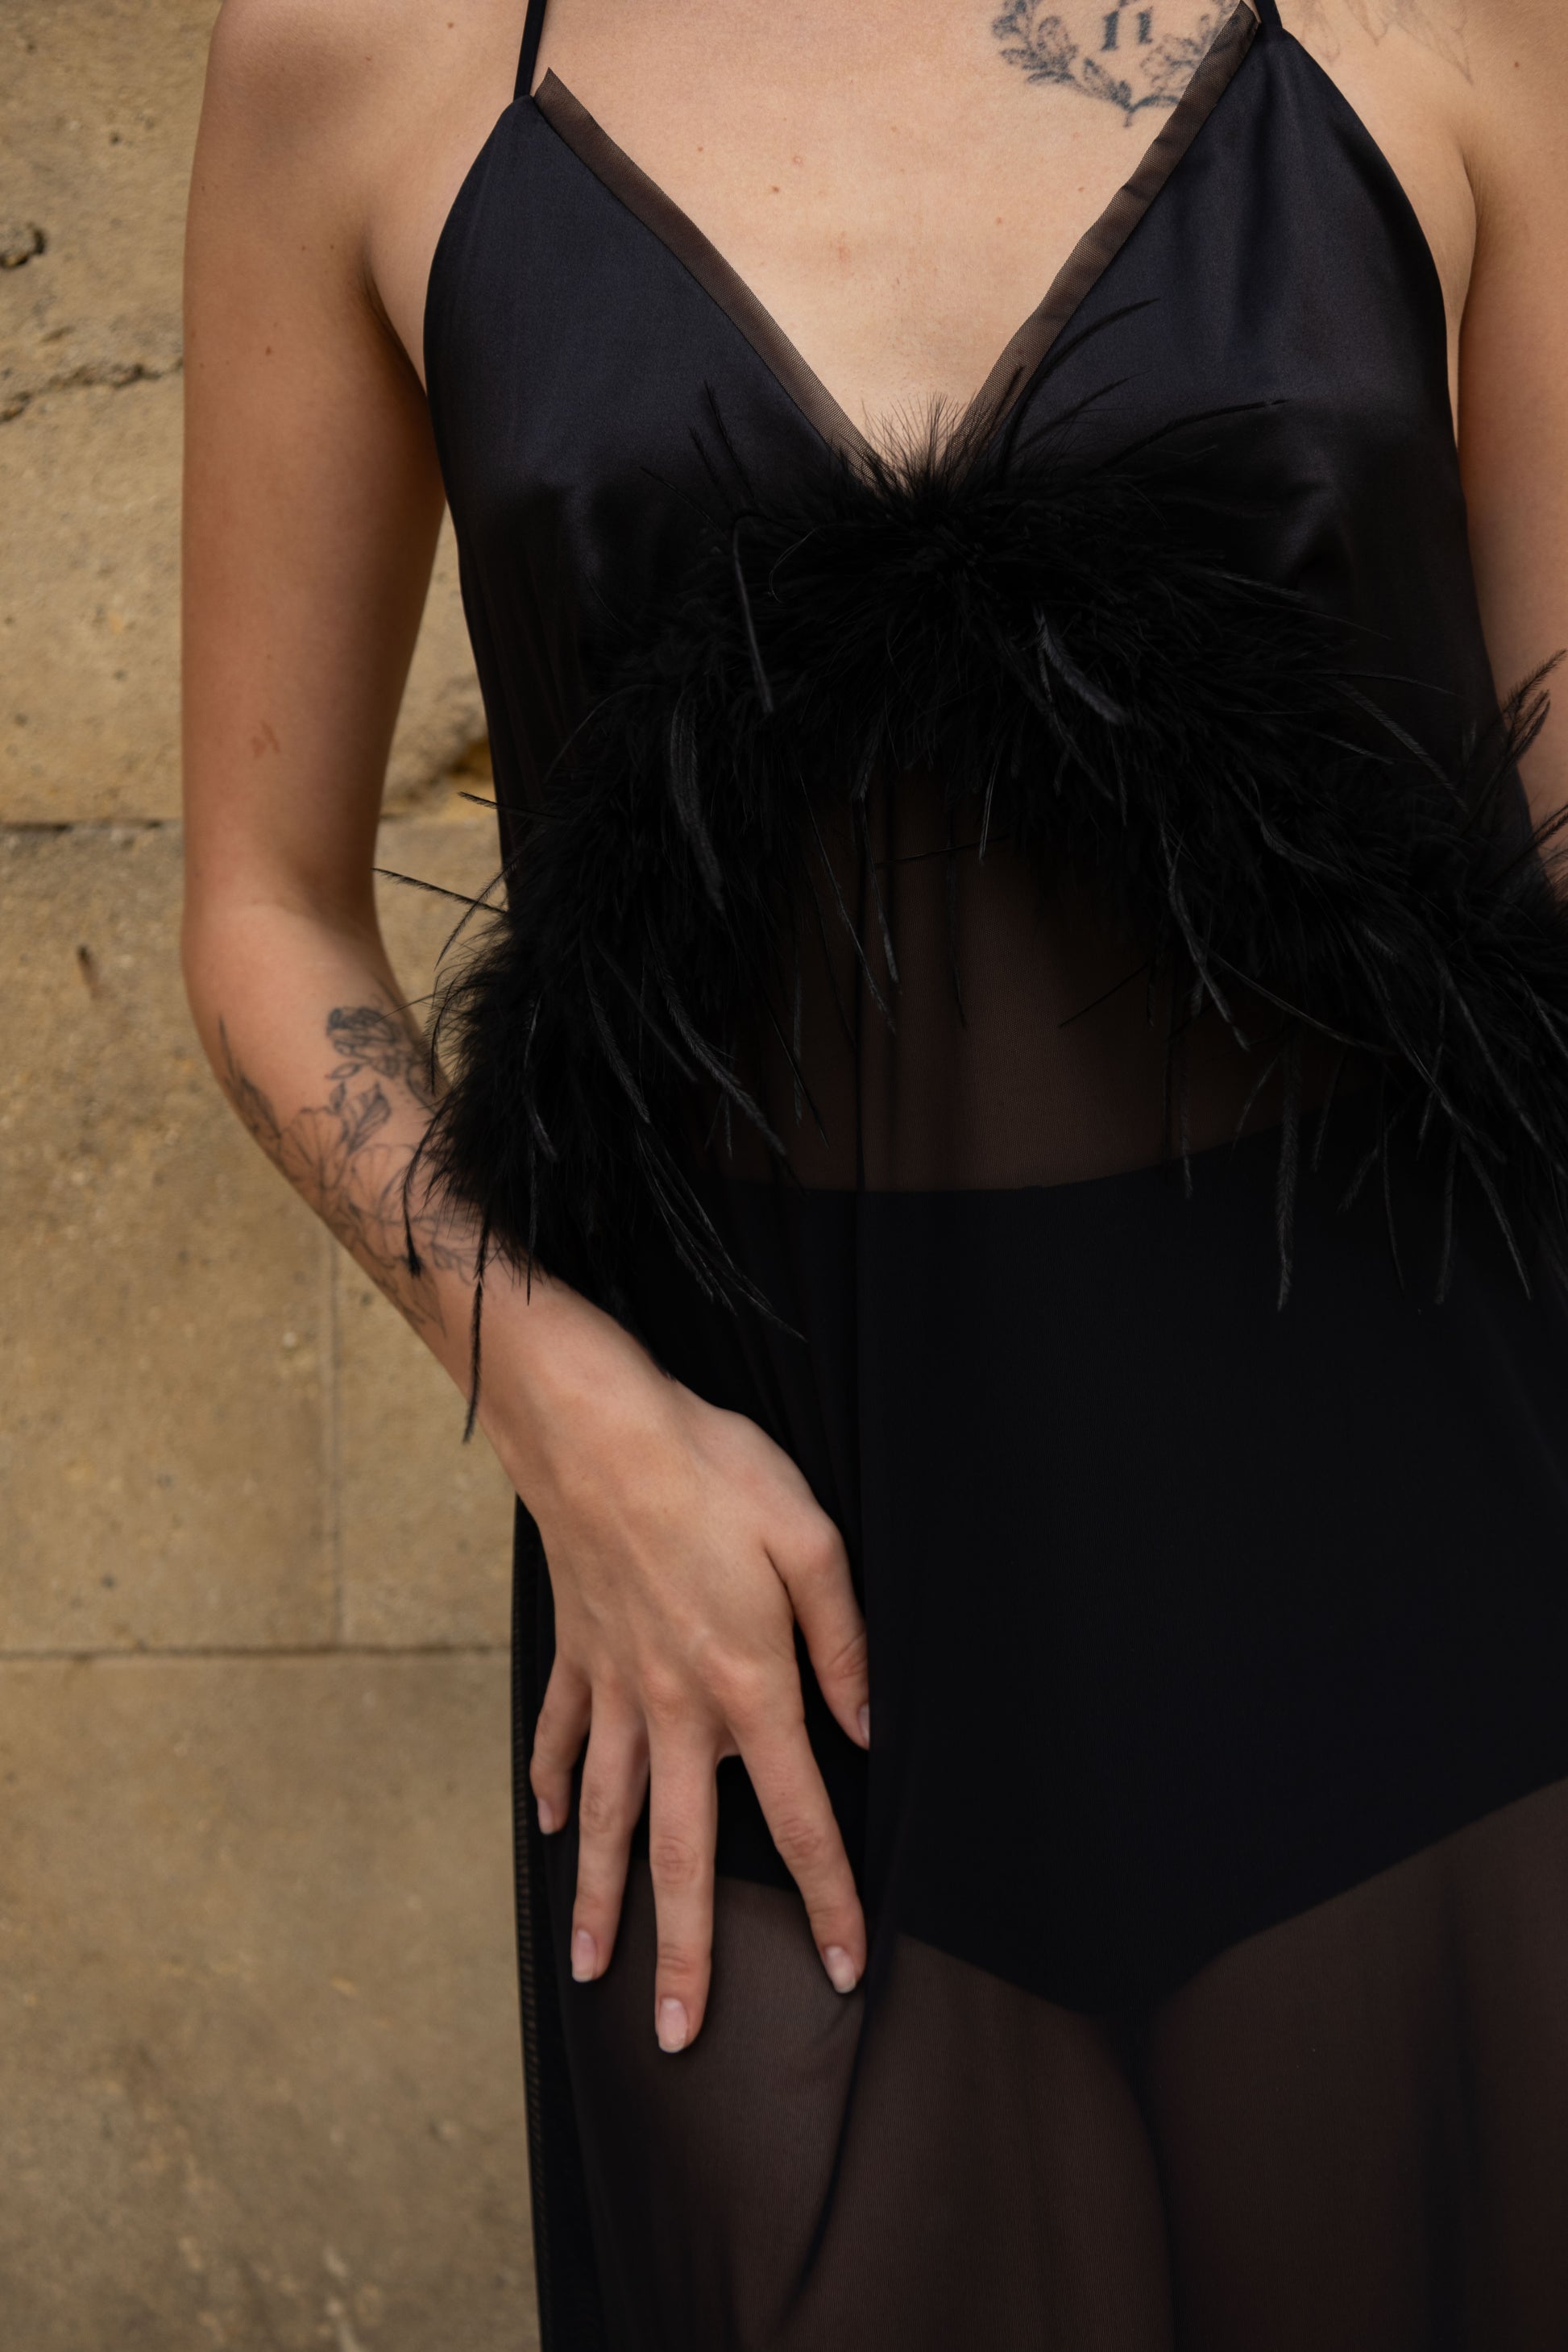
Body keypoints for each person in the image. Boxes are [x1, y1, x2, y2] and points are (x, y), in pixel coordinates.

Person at [182, 0, 1568, 2341]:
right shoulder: (368, 52)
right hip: (751, 1610)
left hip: (1414, 1565)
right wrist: (567, 1418)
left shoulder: (1450, 20)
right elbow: (261, 908)